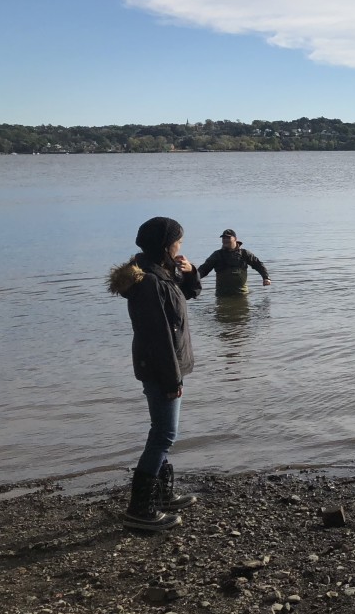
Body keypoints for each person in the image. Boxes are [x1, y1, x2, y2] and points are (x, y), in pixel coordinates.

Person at [107, 216, 202, 531]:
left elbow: (185, 299)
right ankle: (140, 509)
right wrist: (172, 379)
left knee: (162, 431)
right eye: (178, 241)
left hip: (167, 365)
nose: (180, 246)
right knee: (163, 434)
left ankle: (161, 496)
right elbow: (158, 336)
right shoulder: (148, 282)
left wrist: (191, 274)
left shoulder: (161, 274)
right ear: (165, 244)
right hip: (161, 368)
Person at [197, 229, 271, 297]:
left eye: (228, 238)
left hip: (242, 294)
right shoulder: (217, 255)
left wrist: (265, 277)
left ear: (235, 239)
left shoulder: (244, 253)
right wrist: (192, 279)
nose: (225, 240)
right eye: (223, 238)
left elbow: (258, 264)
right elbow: (204, 269)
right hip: (222, 296)